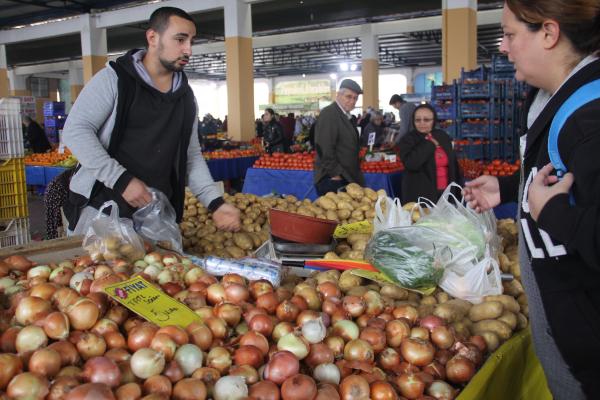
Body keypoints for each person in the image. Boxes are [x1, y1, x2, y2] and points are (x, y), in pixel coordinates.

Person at [463, 1, 600, 398]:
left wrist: (555, 214)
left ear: (549, 33)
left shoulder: (589, 120)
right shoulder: (551, 99)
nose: (502, 47)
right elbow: (564, 179)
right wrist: (511, 189)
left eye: (509, 34)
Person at [61, 6, 241, 235]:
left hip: (155, 215)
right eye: (180, 39)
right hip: (102, 210)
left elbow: (191, 156)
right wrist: (121, 180)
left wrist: (215, 202)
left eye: (191, 41)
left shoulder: (185, 98)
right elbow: (76, 130)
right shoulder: (115, 80)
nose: (188, 49)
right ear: (153, 37)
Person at [398, 103, 461, 203]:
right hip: (421, 195)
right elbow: (411, 163)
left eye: (426, 120)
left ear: (434, 120)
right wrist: (430, 144)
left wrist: (457, 191)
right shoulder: (407, 140)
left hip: (446, 192)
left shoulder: (442, 136)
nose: (422, 123)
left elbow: (453, 164)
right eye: (418, 120)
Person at [314, 79, 364, 195]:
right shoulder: (329, 114)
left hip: (347, 176)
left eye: (355, 98)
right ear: (338, 95)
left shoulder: (347, 116)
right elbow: (324, 147)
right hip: (334, 179)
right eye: (348, 97)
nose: (352, 101)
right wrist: (335, 173)